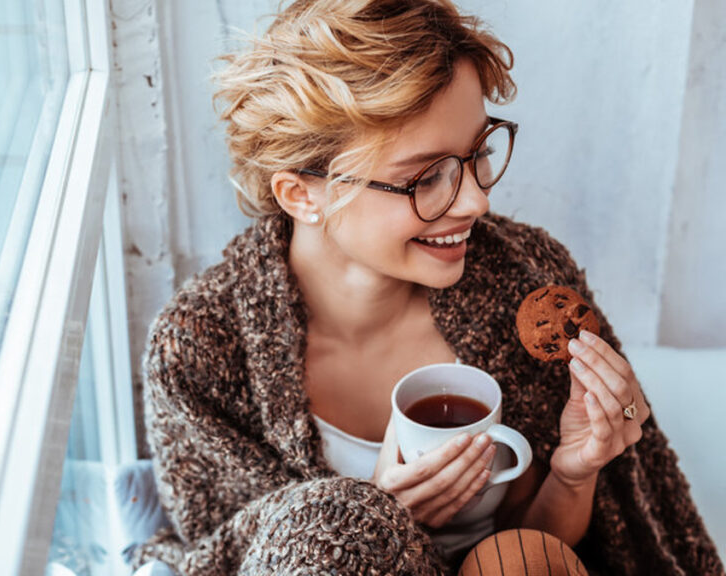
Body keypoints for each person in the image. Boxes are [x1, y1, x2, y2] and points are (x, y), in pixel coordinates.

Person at [132, 1, 724, 574]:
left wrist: (575, 471)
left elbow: (534, 550)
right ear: (301, 195)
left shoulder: (522, 283)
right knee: (331, 527)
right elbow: (233, 553)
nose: (476, 200)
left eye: (477, 155)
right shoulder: (200, 353)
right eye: (425, 177)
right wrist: (375, 521)